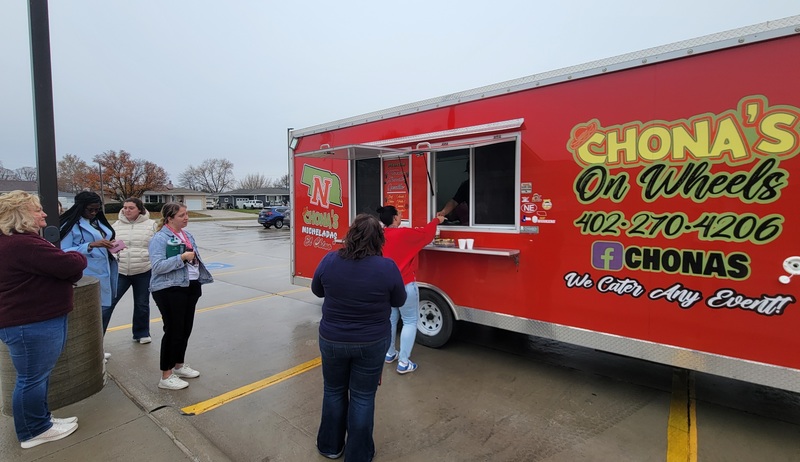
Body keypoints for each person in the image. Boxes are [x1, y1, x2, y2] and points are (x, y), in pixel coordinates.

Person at [312, 214, 407, 462]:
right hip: (372, 342)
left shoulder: (330, 259)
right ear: (379, 240)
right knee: (363, 397)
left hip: (332, 339)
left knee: (333, 391)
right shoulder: (387, 267)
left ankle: (330, 447)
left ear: (351, 234)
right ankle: (358, 455)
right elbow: (399, 301)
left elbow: (317, 290)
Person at [0, 191, 87, 449]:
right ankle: (33, 430)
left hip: (31, 320)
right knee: (32, 378)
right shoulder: (21, 243)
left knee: (37, 375)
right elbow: (69, 265)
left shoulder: (14, 243)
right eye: (38, 210)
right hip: (30, 323)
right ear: (21, 214)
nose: (44, 214)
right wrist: (78, 258)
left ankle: (42, 420)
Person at [149, 202, 213, 390]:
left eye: (186, 214)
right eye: (181, 215)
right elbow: (158, 266)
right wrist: (182, 258)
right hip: (169, 288)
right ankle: (166, 375)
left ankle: (178, 365)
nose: (186, 218)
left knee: (185, 328)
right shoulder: (160, 239)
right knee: (173, 330)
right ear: (170, 218)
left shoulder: (188, 235)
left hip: (190, 285)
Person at [377, 206, 445, 374]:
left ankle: (390, 353)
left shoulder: (379, 237)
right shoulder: (404, 234)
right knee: (409, 321)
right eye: (400, 214)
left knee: (391, 319)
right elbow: (427, 235)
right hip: (405, 285)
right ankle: (404, 362)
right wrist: (437, 220)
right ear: (394, 218)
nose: (402, 216)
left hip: (387, 287)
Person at [59, 192, 120, 340]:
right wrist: (89, 245)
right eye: (90, 209)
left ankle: (99, 345)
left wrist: (111, 246)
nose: (93, 213)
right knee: (91, 316)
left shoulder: (97, 222)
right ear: (80, 207)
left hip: (106, 268)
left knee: (103, 312)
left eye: (97, 210)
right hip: (88, 273)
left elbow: (103, 237)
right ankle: (94, 348)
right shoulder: (71, 226)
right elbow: (62, 252)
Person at [109, 197, 156, 344]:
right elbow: (110, 245)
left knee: (142, 304)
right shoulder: (115, 226)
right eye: (125, 207)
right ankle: (99, 335)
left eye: (131, 208)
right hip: (121, 270)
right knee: (110, 302)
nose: (127, 210)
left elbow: (156, 245)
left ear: (140, 210)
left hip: (143, 269)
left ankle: (141, 333)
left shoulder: (151, 225)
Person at [437, 159, 470, 225]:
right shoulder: (466, 185)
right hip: (473, 223)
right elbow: (454, 201)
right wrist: (443, 212)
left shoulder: (494, 183)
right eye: (469, 171)